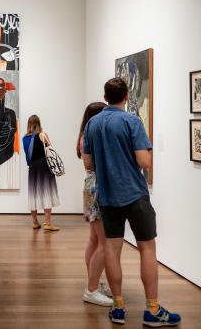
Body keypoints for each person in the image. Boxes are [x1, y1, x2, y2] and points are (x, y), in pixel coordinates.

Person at [83, 77, 181, 326]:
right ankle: (153, 310)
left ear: (105, 97)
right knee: (147, 249)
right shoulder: (131, 121)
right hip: (135, 195)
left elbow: (88, 163)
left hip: (107, 197)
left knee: (112, 252)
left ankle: (118, 308)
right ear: (126, 96)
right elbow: (143, 162)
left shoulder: (92, 124)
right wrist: (145, 151)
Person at [76, 102, 113, 306]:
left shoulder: (84, 135)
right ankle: (91, 288)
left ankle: (95, 282)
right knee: (104, 242)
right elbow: (90, 164)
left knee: (94, 239)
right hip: (97, 186)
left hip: (91, 185)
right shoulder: (89, 137)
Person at [22, 115, 60, 231]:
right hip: (44, 166)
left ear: (29, 124)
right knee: (46, 192)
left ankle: (35, 222)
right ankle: (47, 223)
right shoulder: (42, 135)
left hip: (33, 167)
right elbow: (51, 149)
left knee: (33, 193)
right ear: (38, 123)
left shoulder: (24, 138)